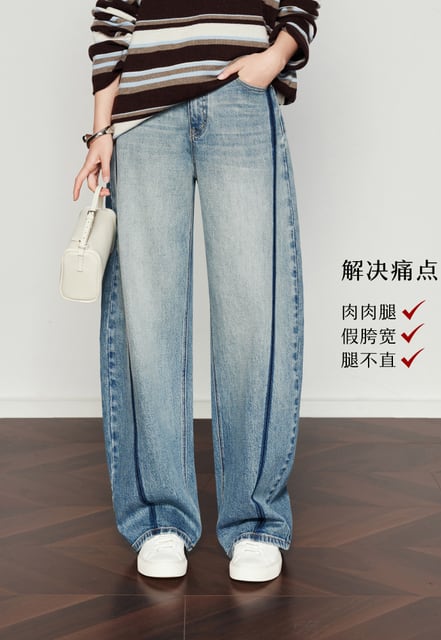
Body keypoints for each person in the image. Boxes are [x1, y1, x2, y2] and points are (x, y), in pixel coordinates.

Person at [73, 0, 319, 583]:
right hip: (144, 111)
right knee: (147, 316)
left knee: (254, 313)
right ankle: (159, 517)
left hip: (241, 99)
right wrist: (101, 130)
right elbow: (113, 16)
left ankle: (255, 520)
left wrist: (275, 57)